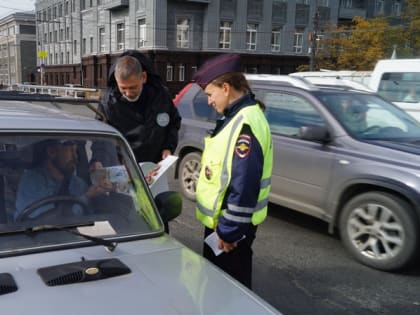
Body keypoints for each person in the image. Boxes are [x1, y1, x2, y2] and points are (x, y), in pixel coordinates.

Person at [192, 54, 273, 289]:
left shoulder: (245, 123)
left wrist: (229, 232)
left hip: (228, 229)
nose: (208, 101)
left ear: (226, 88)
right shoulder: (237, 116)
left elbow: (245, 183)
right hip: (224, 225)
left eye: (209, 94)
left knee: (226, 290)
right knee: (221, 287)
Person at [94, 50, 181, 164]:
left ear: (143, 77)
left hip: (155, 167)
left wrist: (168, 147)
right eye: (123, 88)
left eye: (133, 87)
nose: (128, 93)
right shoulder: (109, 104)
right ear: (116, 81)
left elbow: (173, 122)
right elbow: (100, 137)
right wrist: (98, 161)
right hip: (124, 168)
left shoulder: (160, 96)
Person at [15, 140, 112, 222]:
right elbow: (46, 224)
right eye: (70, 151)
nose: (75, 158)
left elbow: (90, 220)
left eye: (76, 151)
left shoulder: (78, 184)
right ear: (51, 152)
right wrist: (86, 197)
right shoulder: (32, 180)